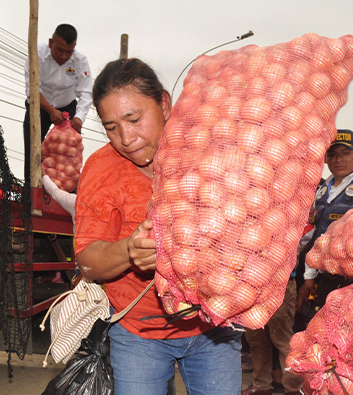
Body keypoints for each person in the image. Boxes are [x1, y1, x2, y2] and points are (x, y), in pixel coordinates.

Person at [74, 58, 242, 395]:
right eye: (111, 127)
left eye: (134, 119)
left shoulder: (209, 151)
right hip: (138, 335)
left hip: (214, 331)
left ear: (164, 104)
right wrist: (128, 251)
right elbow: (87, 261)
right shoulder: (101, 169)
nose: (126, 138)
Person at [297, 130, 353, 316]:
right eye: (332, 154)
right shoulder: (321, 190)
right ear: (325, 158)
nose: (338, 160)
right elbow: (315, 236)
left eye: (346, 153)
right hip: (326, 278)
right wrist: (310, 276)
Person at [23, 24, 92, 181]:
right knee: (32, 150)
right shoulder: (37, 55)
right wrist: (51, 111)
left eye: (69, 51)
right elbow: (32, 91)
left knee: (70, 152)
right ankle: (31, 189)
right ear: (50, 43)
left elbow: (86, 92)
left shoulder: (80, 61)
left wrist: (79, 118)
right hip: (39, 105)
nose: (63, 55)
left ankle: (68, 188)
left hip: (67, 105)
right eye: (59, 50)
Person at [241, 271, 304, 395]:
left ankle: (294, 389)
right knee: (256, 340)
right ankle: (262, 386)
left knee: (283, 341)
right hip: (250, 288)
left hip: (278, 285)